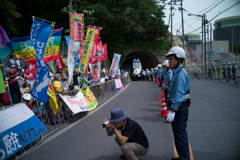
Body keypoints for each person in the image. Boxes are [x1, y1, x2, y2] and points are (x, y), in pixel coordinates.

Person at [165, 46, 191, 160]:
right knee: (177, 134)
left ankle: (184, 158)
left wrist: (173, 110)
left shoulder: (181, 74)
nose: (169, 61)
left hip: (179, 108)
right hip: (177, 108)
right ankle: (181, 156)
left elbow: (179, 95)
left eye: (171, 59)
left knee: (180, 134)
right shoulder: (176, 72)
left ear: (179, 59)